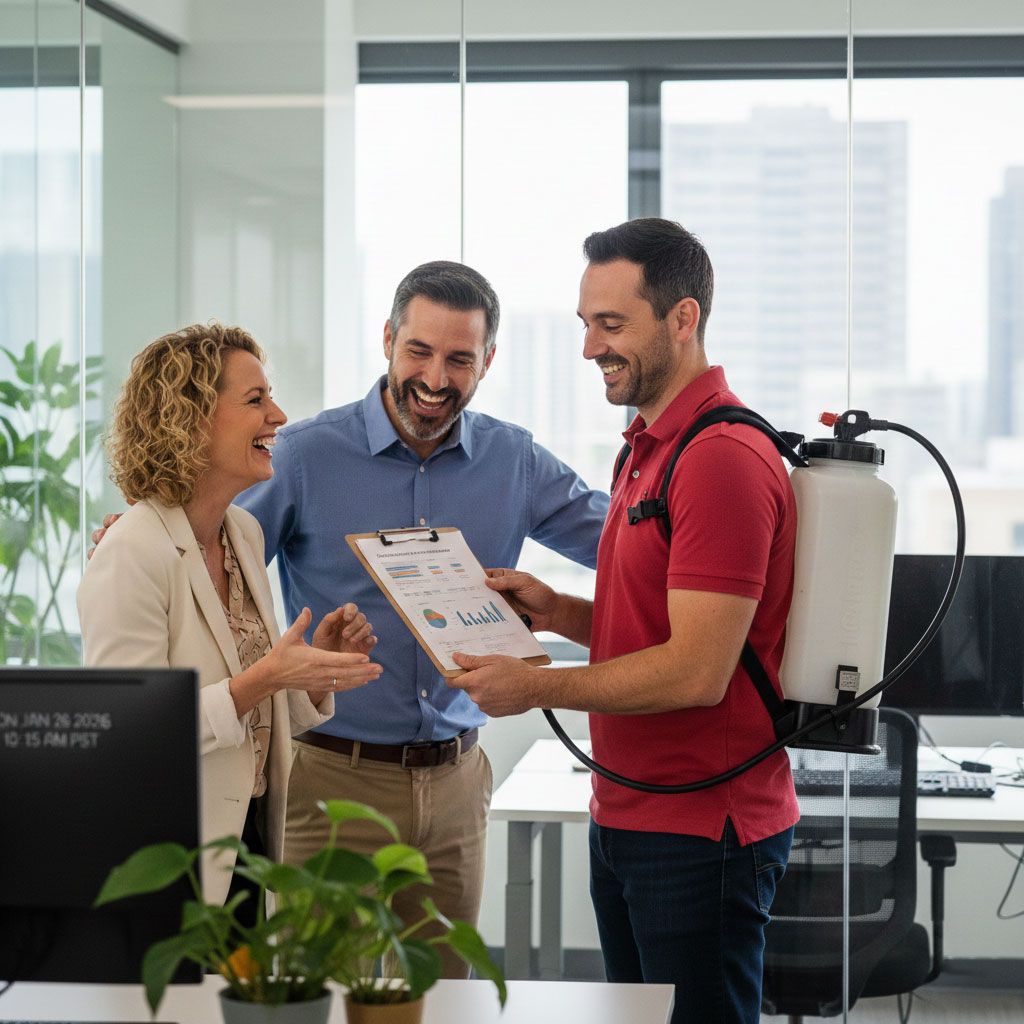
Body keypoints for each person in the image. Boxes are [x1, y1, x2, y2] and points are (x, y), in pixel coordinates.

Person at [448, 219, 799, 1023]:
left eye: (612, 325)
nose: (589, 348)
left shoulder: (719, 458)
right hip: (635, 810)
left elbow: (696, 670)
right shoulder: (647, 446)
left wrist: (530, 688)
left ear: (684, 320)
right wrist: (560, 608)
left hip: (701, 829)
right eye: (585, 325)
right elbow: (666, 623)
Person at [232, 260, 609, 972]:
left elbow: (629, 543)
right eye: (420, 351)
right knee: (320, 994)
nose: (436, 378)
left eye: (459, 359)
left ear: (487, 361)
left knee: (443, 997)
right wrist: (137, 533)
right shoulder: (305, 456)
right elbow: (211, 549)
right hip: (328, 780)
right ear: (387, 340)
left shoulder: (514, 459)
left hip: (455, 784)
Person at [78, 324, 383, 909]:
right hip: (169, 861)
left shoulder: (242, 532)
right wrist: (268, 676)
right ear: (188, 419)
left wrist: (308, 669)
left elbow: (253, 715)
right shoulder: (131, 551)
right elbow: (127, 732)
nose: (279, 415)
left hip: (247, 848)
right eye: (255, 401)